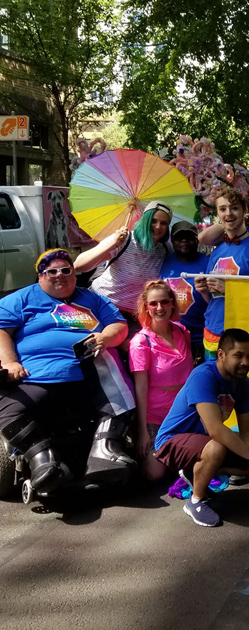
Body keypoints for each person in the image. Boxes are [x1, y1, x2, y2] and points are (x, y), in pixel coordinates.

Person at [0, 249, 133, 492]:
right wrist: (9, 362)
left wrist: (105, 336)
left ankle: (105, 448)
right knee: (7, 408)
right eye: (52, 271)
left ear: (74, 273)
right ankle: (42, 459)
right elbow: (1, 331)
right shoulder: (20, 299)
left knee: (111, 360)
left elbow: (119, 325)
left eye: (66, 270)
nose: (60, 275)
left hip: (88, 371)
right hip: (36, 376)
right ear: (40, 276)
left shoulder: (93, 299)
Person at [154, 329, 249, 527]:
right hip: (172, 441)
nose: (245, 362)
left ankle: (197, 471)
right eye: (239, 356)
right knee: (218, 448)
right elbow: (215, 429)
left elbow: (246, 428)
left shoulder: (244, 383)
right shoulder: (203, 376)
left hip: (204, 443)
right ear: (221, 355)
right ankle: (196, 501)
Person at [195, 187, 249, 360]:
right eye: (222, 209)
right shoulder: (217, 251)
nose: (228, 213)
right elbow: (212, 299)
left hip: (242, 335)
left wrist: (230, 290)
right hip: (212, 331)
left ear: (245, 211)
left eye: (234, 208)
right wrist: (203, 290)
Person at [74, 201, 172, 334]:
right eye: (153, 221)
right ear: (145, 220)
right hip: (102, 305)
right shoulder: (124, 240)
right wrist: (113, 243)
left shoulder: (165, 249)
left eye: (164, 223)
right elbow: (79, 265)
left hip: (134, 315)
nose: (158, 226)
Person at [129, 280, 193, 481]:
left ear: (173, 303)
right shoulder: (141, 342)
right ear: (146, 307)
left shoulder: (183, 331)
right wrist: (142, 431)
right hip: (156, 417)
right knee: (155, 474)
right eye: (153, 304)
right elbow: (140, 388)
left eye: (165, 302)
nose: (159, 308)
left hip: (185, 412)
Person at [160, 221, 209, 362]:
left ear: (197, 240)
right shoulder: (164, 261)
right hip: (170, 339)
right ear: (172, 240)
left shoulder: (208, 262)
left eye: (189, 237)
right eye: (179, 237)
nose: (184, 241)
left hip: (200, 340)